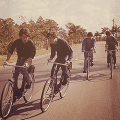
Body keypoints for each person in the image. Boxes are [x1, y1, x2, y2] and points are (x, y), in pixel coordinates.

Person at [4, 28, 36, 101]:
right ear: (20, 36)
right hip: (19, 59)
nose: (25, 39)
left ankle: (29, 82)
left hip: (28, 59)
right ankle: (15, 94)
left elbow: (32, 55)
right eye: (23, 37)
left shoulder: (31, 42)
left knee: (23, 69)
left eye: (26, 37)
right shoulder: (17, 42)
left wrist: (27, 63)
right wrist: (6, 61)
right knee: (14, 76)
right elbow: (10, 51)